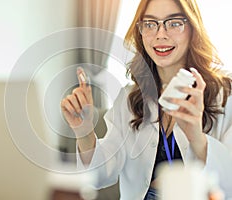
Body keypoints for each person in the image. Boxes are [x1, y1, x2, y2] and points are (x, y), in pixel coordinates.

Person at [60, 0, 232, 199]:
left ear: (193, 28)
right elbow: (99, 176)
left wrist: (197, 137)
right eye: (150, 24)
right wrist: (84, 131)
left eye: (174, 23)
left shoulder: (225, 95)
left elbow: (228, 182)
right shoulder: (130, 98)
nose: (160, 34)